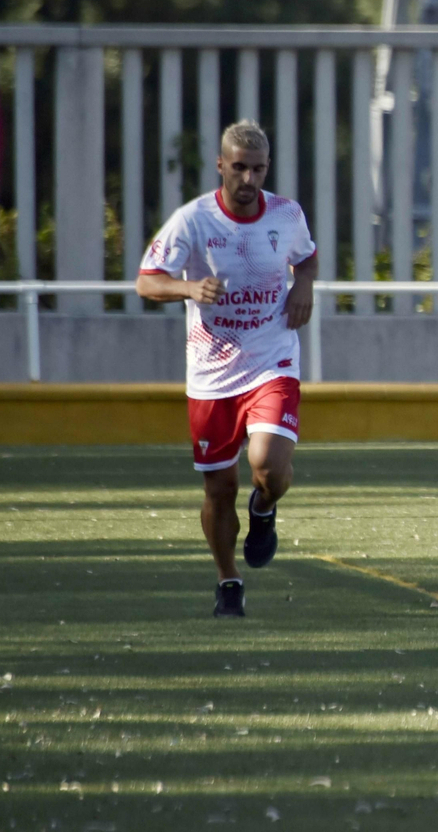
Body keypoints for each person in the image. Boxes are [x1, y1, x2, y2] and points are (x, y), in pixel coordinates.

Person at [136, 119, 316, 618]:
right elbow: (147, 283)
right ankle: (228, 581)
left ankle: (265, 508)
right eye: (239, 168)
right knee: (218, 488)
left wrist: (304, 285)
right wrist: (189, 288)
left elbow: (308, 259)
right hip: (212, 372)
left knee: (268, 466)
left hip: (271, 358)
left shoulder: (286, 214)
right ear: (221, 165)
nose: (249, 179)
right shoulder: (193, 221)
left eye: (258, 169)